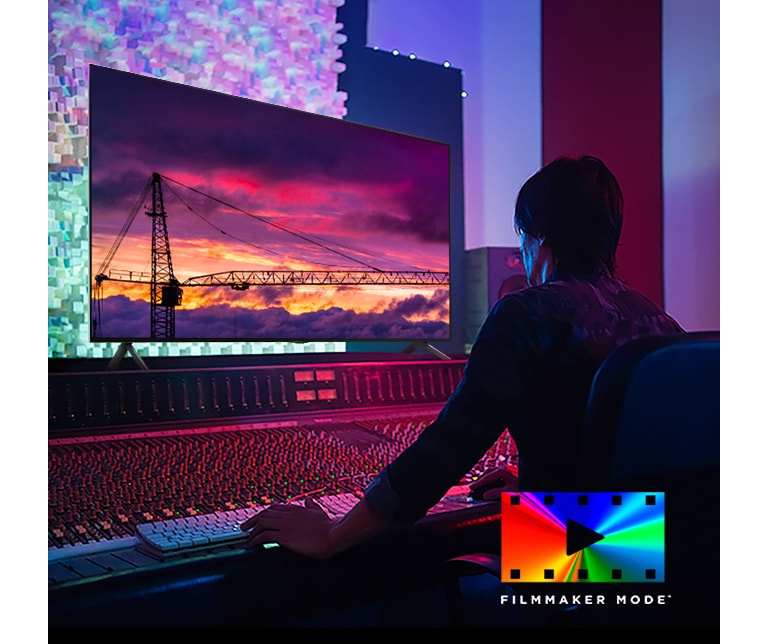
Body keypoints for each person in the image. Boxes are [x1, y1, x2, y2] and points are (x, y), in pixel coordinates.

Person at [240, 155, 685, 559]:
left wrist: (335, 534)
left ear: (539, 238)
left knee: (412, 583)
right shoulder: (659, 322)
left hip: (576, 566)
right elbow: (639, 458)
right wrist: (541, 486)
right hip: (652, 555)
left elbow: (448, 449)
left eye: (522, 239)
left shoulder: (526, 314)